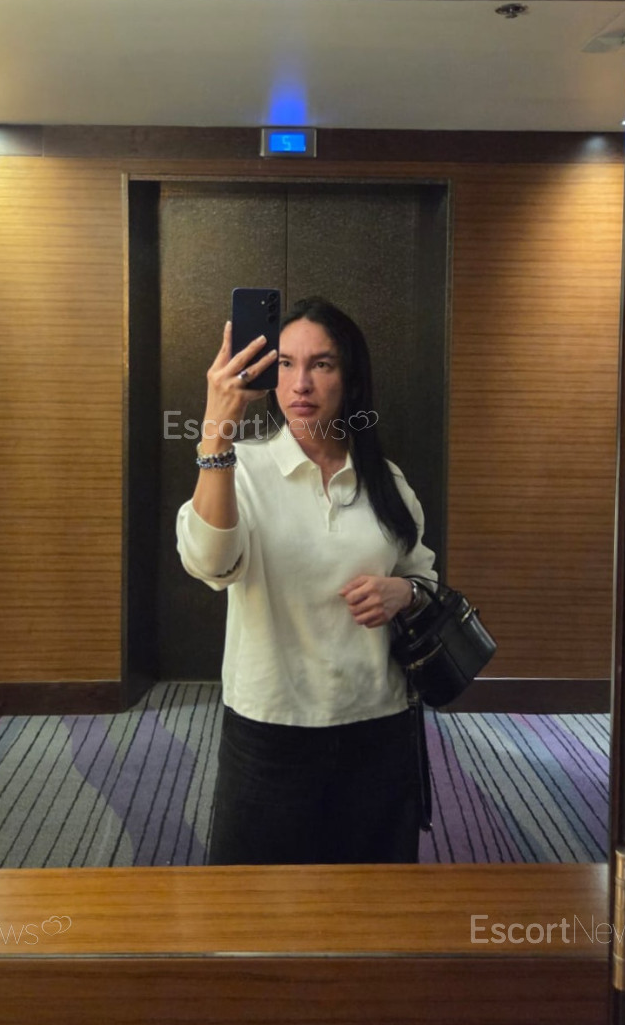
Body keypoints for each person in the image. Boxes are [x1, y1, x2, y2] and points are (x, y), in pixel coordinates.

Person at [175, 296, 438, 865]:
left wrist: (405, 592)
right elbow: (211, 564)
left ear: (350, 378)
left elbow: (424, 579)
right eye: (286, 364)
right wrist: (216, 435)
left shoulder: (386, 481)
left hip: (378, 723)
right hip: (271, 727)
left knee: (373, 897)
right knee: (253, 904)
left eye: (322, 364)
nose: (301, 384)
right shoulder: (243, 469)